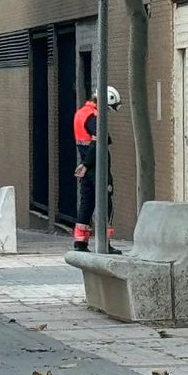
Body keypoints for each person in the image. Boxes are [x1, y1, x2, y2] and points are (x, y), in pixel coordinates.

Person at [73, 86, 120, 252]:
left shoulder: (80, 113)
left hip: (87, 168)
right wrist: (86, 164)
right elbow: (101, 139)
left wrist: (84, 164)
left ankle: (80, 242)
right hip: (97, 168)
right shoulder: (93, 117)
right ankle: (105, 244)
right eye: (107, 108)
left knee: (86, 205)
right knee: (106, 205)